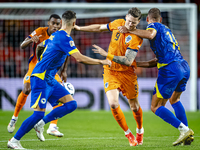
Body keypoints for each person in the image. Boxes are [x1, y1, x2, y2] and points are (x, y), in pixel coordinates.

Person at [7, 10, 111, 149]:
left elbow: (39, 46)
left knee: (71, 104)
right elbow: (80, 58)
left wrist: (42, 60)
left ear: (62, 22)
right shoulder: (64, 38)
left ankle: (41, 124)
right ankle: (14, 140)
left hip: (49, 78)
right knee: (38, 113)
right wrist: (101, 62)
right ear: (74, 23)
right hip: (41, 77)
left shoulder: (55, 35)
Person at [117, 8, 194, 146]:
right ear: (161, 19)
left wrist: (129, 30)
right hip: (183, 67)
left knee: (155, 107)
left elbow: (150, 34)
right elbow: (155, 61)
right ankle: (186, 136)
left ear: (147, 19)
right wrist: (135, 64)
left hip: (170, 69)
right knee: (174, 99)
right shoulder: (167, 31)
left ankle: (185, 130)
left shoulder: (153, 26)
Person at [75, 7, 144, 146]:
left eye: (134, 23)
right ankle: (128, 134)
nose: (130, 25)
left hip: (127, 73)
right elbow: (99, 28)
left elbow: (128, 61)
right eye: (129, 21)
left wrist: (107, 54)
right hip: (110, 71)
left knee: (134, 107)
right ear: (126, 17)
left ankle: (140, 130)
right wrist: (79, 28)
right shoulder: (118, 23)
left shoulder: (137, 37)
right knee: (113, 103)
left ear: (138, 22)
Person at [7, 14, 66, 137]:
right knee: (26, 89)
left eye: (57, 24)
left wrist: (63, 71)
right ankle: (14, 117)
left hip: (50, 69)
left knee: (61, 95)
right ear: (48, 23)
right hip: (35, 65)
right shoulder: (40, 31)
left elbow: (67, 54)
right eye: (53, 23)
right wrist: (30, 40)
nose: (55, 26)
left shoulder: (61, 35)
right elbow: (22, 45)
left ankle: (53, 126)